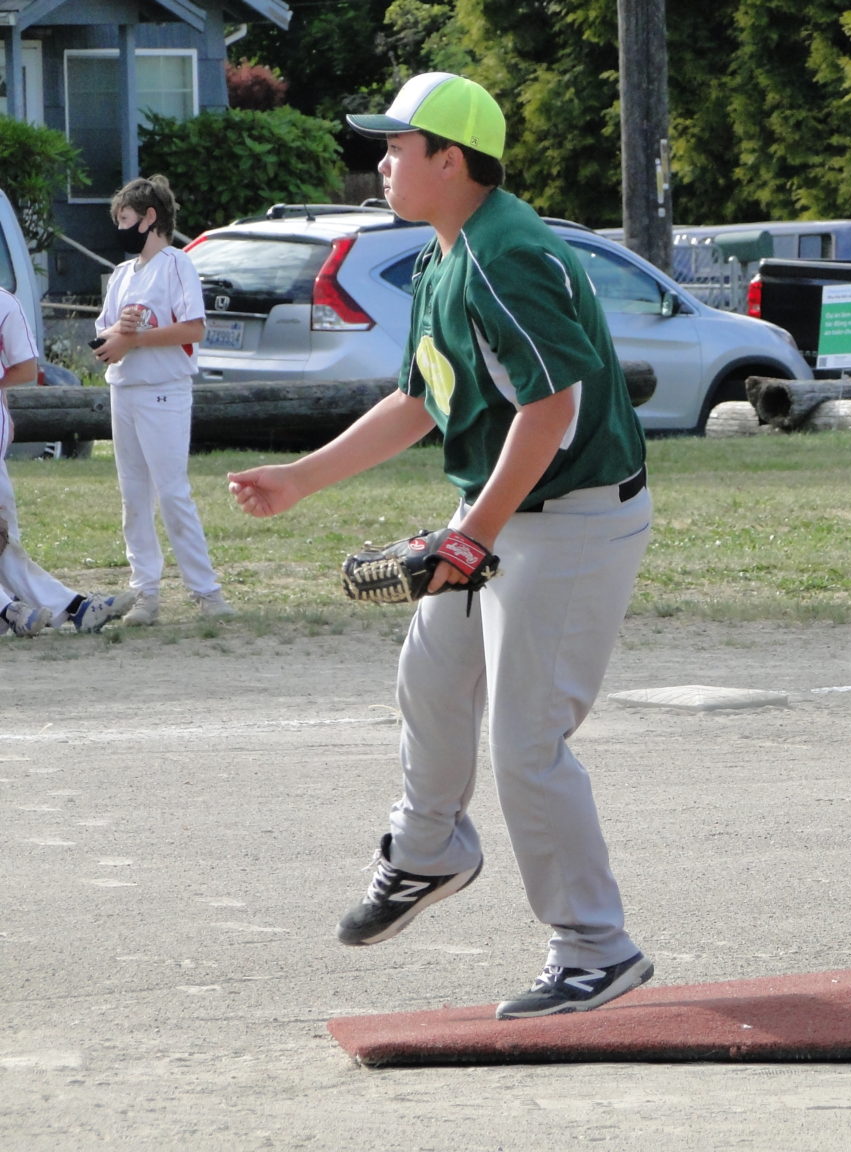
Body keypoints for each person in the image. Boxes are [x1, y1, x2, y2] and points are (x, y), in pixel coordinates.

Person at [227, 72, 654, 1020]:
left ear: (450, 160)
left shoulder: (507, 253)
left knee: (526, 739)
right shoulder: (444, 256)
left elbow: (554, 410)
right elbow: (421, 401)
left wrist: (475, 537)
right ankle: (427, 853)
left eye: (395, 148)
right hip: (509, 514)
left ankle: (596, 946)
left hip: (574, 515)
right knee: (430, 675)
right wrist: (303, 477)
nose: (380, 165)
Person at [93, 175, 232, 626]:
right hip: (124, 390)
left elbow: (194, 329)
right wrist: (121, 332)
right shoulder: (120, 275)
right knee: (133, 496)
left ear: (150, 218)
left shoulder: (175, 264)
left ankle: (206, 592)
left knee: (172, 493)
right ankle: (145, 592)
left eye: (126, 218)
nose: (120, 227)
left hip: (164, 391)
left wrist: (137, 337)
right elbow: (103, 338)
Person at [1, 286, 136, 636]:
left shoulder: (3, 303)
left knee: (4, 539)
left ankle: (65, 608)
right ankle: (12, 609)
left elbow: (25, 368)